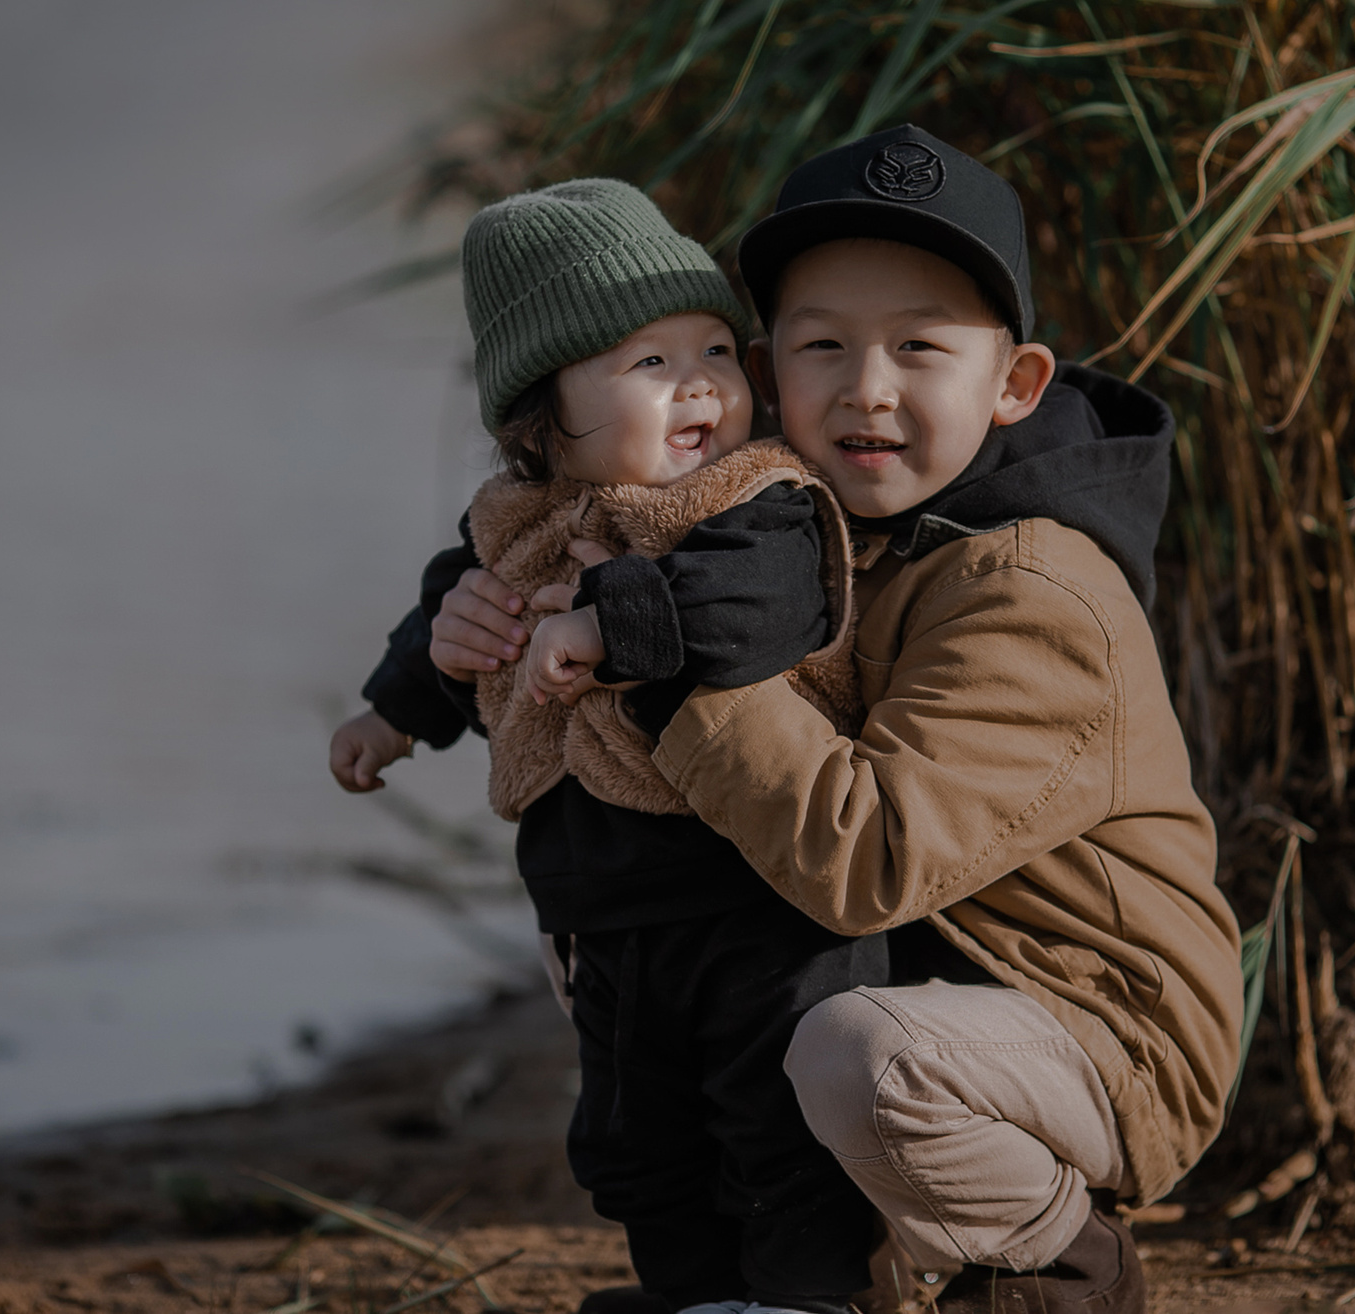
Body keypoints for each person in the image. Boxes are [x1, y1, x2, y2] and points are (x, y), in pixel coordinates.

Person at [431, 126, 1243, 1314]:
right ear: (767, 371)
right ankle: (753, 1279)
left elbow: (863, 862)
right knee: (627, 927)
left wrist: (654, 654)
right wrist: (475, 639)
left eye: (920, 347)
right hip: (927, 971)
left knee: (856, 1057)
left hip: (1094, 1021)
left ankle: (1060, 1271)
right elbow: (557, 562)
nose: (868, 388)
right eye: (824, 346)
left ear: (1014, 383)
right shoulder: (786, 519)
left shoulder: (1032, 586)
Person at [328, 178, 892, 1314]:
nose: (702, 385)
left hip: (759, 900)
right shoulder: (514, 528)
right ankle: (694, 1296)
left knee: (774, 1121)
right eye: (648, 363)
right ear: (538, 423)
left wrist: (602, 624)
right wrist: (405, 699)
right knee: (636, 1140)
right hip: (606, 920)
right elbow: (451, 606)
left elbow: (754, 610)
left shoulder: (759, 502)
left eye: (716, 352)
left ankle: (802, 1298)